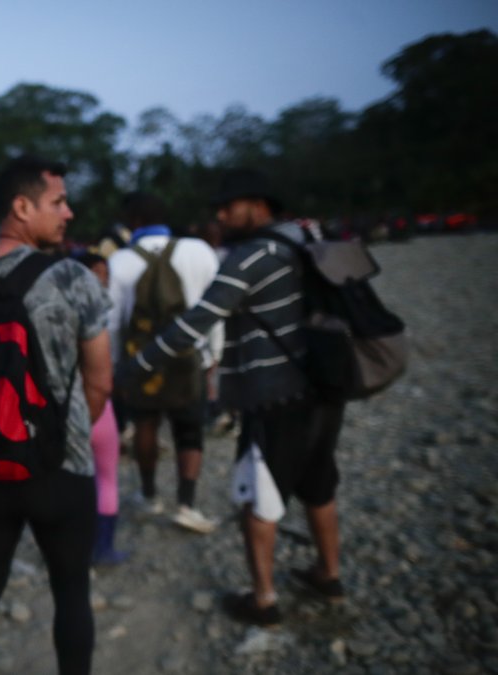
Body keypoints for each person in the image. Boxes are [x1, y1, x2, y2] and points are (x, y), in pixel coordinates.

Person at [115, 168, 347, 627]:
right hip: (322, 388)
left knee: (258, 495)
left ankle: (263, 598)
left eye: (229, 205)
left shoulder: (252, 254)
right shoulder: (302, 239)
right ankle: (328, 573)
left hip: (274, 394)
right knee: (318, 482)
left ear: (259, 204)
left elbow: (200, 318)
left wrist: (137, 365)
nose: (220, 215)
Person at [0, 155, 111, 674]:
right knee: (71, 590)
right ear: (22, 206)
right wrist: (66, 428)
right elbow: (100, 380)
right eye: (58, 202)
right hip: (61, 465)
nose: (69, 213)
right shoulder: (73, 277)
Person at [107, 191, 222, 534]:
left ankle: (148, 494)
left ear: (135, 222)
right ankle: (186, 504)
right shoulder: (198, 251)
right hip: (190, 359)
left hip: (140, 363)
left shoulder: (121, 261)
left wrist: (116, 367)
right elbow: (217, 309)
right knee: (189, 431)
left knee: (145, 425)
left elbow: (113, 322)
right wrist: (214, 355)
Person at [73, 250, 129, 566]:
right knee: (106, 477)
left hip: (66, 408)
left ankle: (76, 547)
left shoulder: (54, 310)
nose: (102, 276)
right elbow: (103, 374)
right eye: (96, 269)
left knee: (75, 481)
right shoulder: (99, 313)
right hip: (98, 407)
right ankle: (103, 548)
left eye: (104, 269)